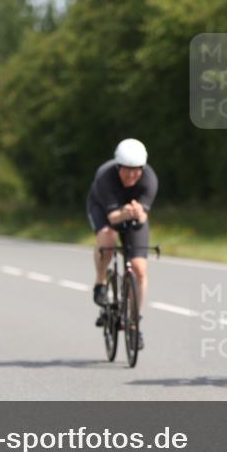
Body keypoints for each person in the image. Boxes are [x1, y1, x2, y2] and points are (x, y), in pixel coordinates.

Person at [87, 139, 158, 349]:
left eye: (136, 171)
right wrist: (124, 213)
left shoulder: (150, 180)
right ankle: (100, 282)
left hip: (131, 213)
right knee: (108, 236)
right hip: (103, 210)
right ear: (118, 167)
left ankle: (135, 323)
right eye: (126, 170)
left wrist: (138, 214)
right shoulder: (105, 177)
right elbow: (112, 217)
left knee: (139, 268)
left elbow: (143, 218)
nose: (131, 175)